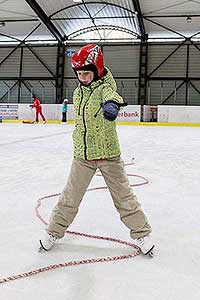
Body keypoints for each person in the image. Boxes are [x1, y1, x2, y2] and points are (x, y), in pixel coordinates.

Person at [39, 44, 155, 256]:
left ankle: (142, 234)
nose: (82, 77)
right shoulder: (77, 93)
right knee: (69, 197)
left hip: (108, 155)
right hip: (82, 156)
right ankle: (53, 231)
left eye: (86, 73)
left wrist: (112, 105)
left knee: (124, 197)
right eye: (79, 73)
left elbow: (113, 96)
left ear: (97, 69)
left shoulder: (105, 88)